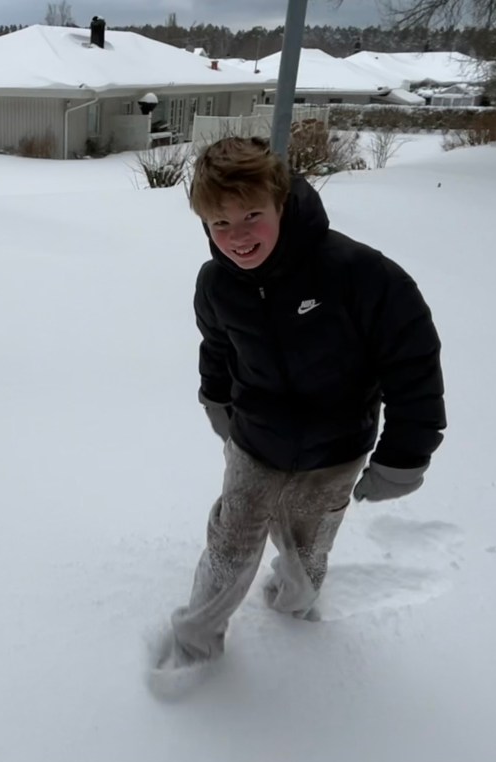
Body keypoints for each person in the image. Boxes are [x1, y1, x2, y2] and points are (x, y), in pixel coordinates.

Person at [157, 136, 446, 670]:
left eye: (252, 215)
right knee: (230, 544)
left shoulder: (359, 274)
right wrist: (215, 397)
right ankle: (195, 644)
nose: (238, 237)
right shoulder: (217, 284)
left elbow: (413, 363)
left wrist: (404, 455)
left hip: (335, 451)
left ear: (281, 203)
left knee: (306, 549)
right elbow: (217, 346)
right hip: (254, 440)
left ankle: (294, 613)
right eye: (220, 223)